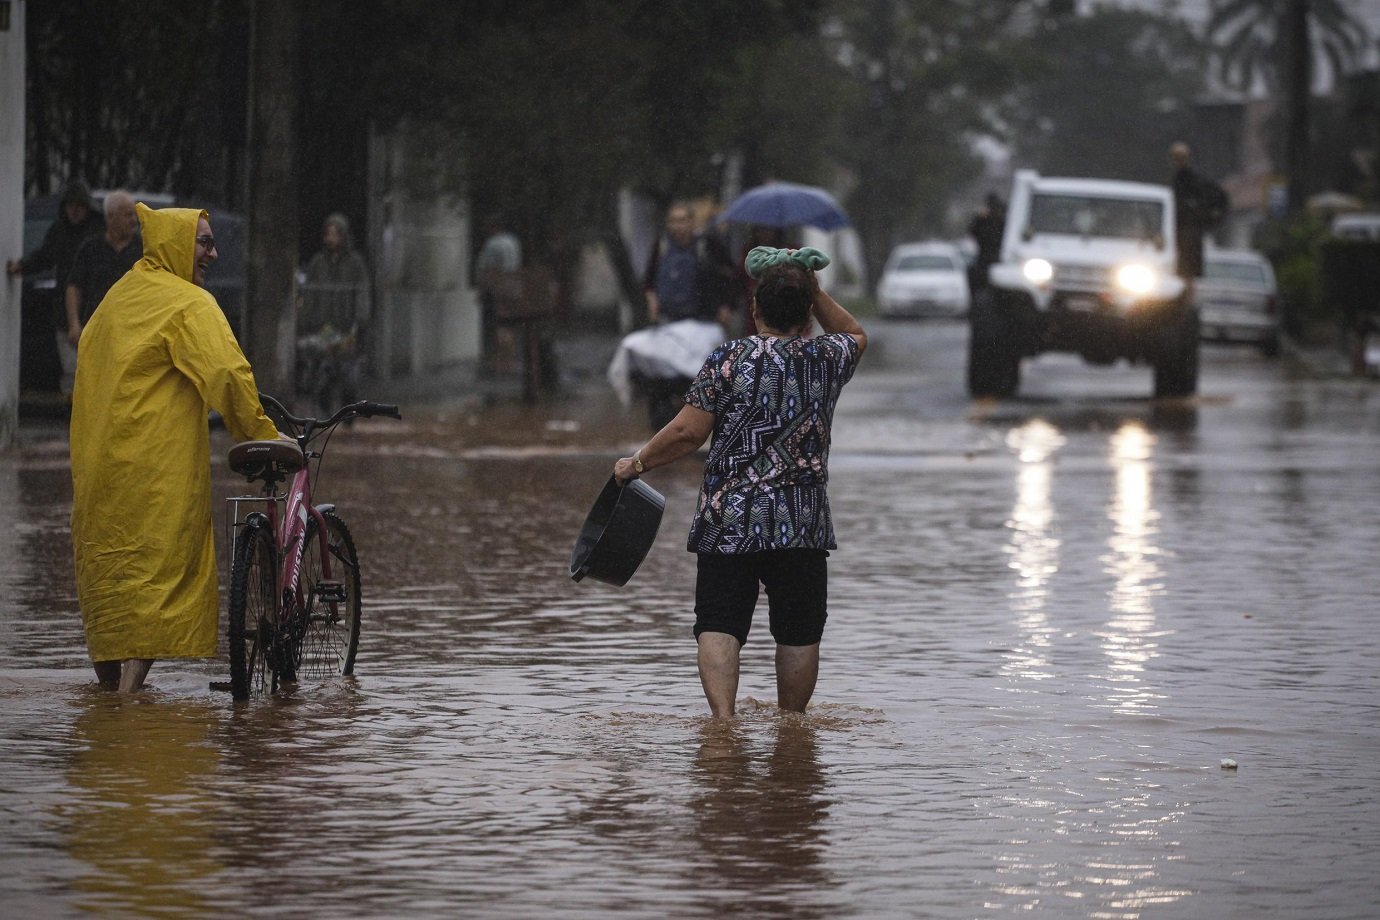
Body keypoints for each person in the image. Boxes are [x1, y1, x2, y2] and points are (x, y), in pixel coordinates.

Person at [613, 246, 867, 719]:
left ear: (755, 310)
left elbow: (688, 432)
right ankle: (791, 728)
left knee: (720, 623)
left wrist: (638, 464)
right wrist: (814, 289)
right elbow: (854, 332)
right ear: (809, 312)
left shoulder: (728, 361)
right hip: (801, 524)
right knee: (798, 630)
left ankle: (723, 727)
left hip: (730, 520)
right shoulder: (826, 358)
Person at [69, 204, 281, 692]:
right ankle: (127, 708)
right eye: (203, 242)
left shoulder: (115, 301)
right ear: (179, 245)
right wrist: (263, 436)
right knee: (161, 570)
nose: (213, 252)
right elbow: (227, 376)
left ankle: (110, 716)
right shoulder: (188, 304)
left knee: (112, 577)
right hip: (155, 468)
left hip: (98, 467)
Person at [639, 203, 737, 428]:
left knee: (702, 377)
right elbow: (649, 282)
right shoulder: (662, 246)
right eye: (674, 220)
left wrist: (726, 306)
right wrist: (652, 301)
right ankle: (661, 429)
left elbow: (730, 277)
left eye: (683, 220)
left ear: (692, 222)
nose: (678, 226)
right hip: (668, 323)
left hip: (702, 324)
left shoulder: (708, 246)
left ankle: (703, 424)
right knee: (662, 379)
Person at [8, 180, 105, 391]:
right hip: (65, 310)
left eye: (79, 206)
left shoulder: (100, 230)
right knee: (72, 369)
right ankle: (72, 410)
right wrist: (21, 267)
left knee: (97, 370)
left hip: (98, 308)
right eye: (71, 206)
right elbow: (44, 256)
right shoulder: (60, 230)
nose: (75, 211)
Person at [297, 212, 372, 412]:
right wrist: (306, 321)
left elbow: (362, 293)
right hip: (324, 327)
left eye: (335, 234)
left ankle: (349, 410)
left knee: (348, 373)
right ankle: (326, 408)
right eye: (328, 234)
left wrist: (360, 320)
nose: (331, 238)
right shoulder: (318, 263)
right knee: (324, 369)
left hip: (346, 326)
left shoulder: (355, 263)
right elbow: (310, 294)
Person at [65, 189, 142, 348]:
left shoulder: (144, 249)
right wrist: (74, 324)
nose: (134, 220)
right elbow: (74, 286)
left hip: (134, 331)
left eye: (135, 215)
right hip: (97, 331)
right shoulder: (91, 248)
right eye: (128, 215)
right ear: (110, 217)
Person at [1169, 142, 1228, 291]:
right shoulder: (1173, 179)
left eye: (1181, 157)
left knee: (1187, 276)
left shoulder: (1198, 181)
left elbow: (1220, 200)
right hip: (1173, 234)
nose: (1178, 160)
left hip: (1190, 235)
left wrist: (1208, 221)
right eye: (1176, 157)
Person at [474, 214, 523, 370]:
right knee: (509, 323)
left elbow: (488, 269)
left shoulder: (492, 244)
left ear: (493, 227)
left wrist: (483, 289)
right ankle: (509, 357)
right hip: (512, 285)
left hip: (497, 287)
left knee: (498, 323)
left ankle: (501, 360)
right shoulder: (513, 241)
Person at [967, 192, 1006, 295]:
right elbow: (974, 232)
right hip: (985, 257)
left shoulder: (1001, 219)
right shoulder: (983, 220)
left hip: (997, 256)